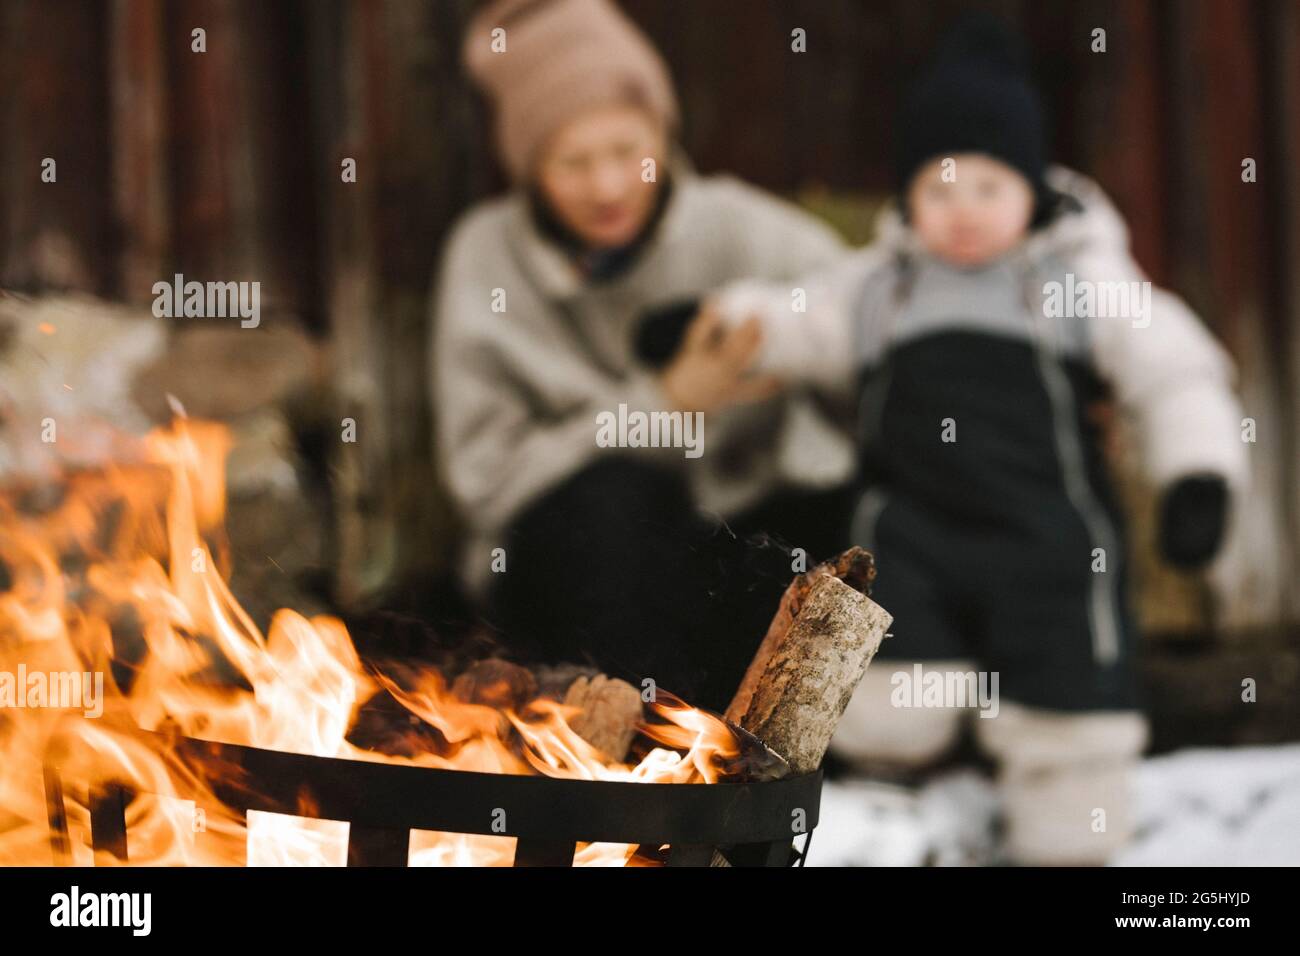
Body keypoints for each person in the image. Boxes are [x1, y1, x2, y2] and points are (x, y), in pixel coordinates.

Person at [712, 15, 1248, 863]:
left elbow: (1175, 369)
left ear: (1032, 190)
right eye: (940, 190)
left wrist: (1198, 475)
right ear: (909, 197)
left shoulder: (1075, 279)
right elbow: (789, 318)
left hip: (1049, 539)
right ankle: (884, 803)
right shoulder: (879, 288)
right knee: (891, 668)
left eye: (989, 190)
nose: (963, 214)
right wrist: (719, 328)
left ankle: (1068, 821)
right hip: (916, 535)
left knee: (1065, 681)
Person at [431, 0, 855, 712]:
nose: (607, 187)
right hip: (575, 570)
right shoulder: (486, 257)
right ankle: (645, 750)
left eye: (628, 152)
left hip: (726, 544)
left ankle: (790, 739)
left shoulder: (736, 228)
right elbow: (485, 481)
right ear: (529, 167)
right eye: (573, 162)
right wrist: (662, 406)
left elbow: (865, 312)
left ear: (663, 132)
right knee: (615, 503)